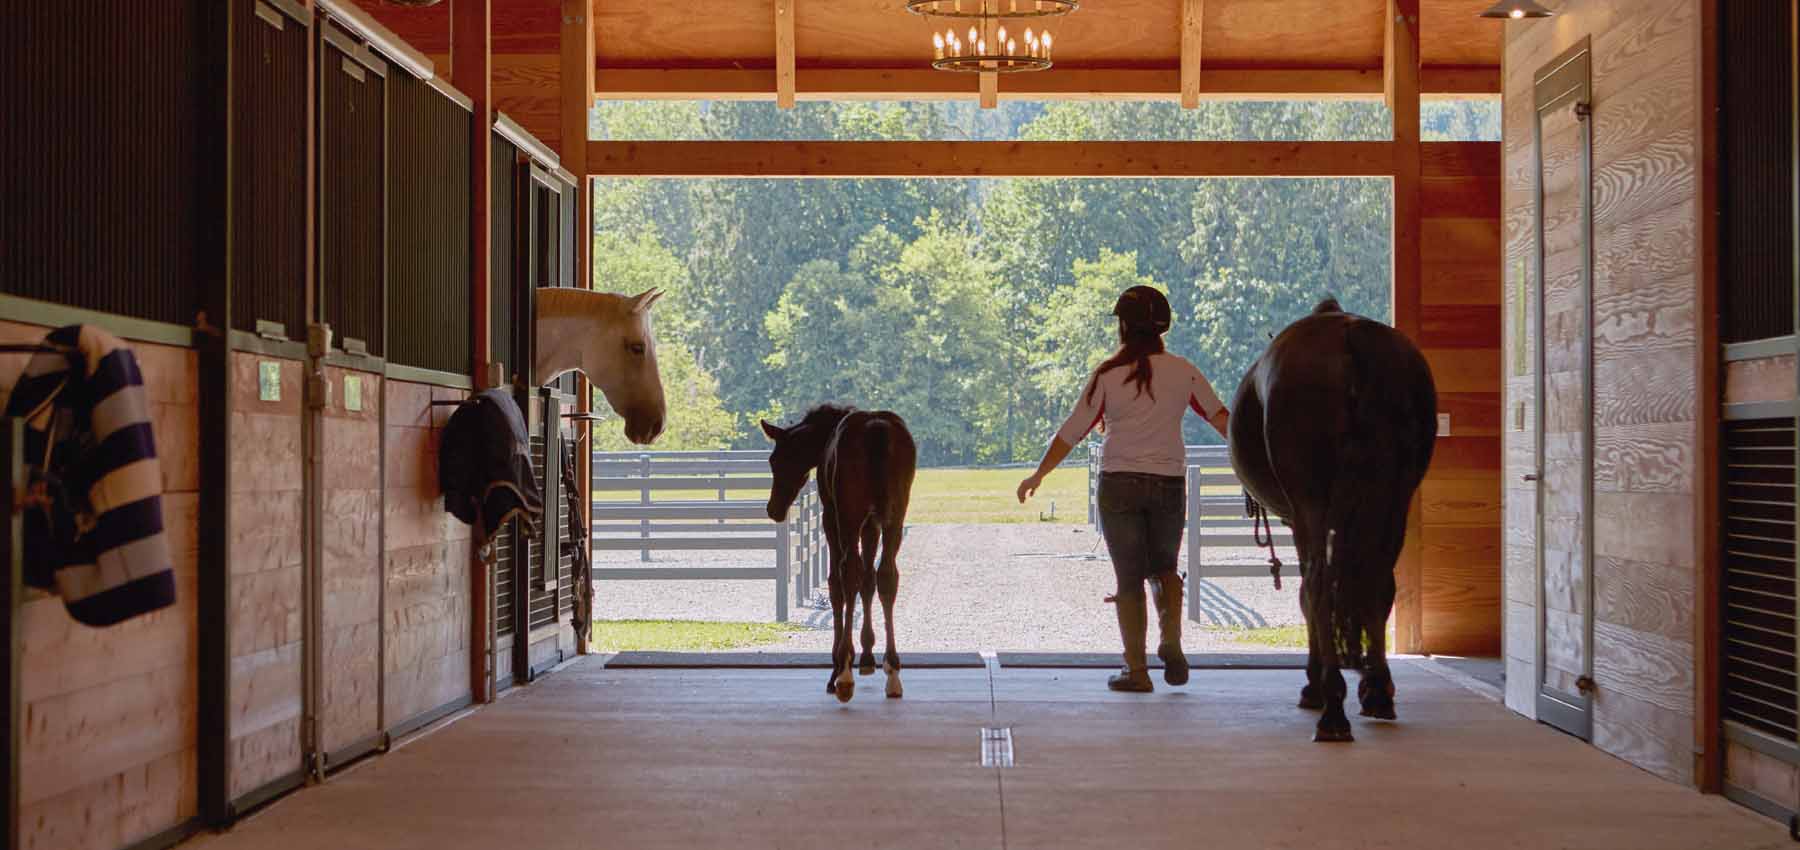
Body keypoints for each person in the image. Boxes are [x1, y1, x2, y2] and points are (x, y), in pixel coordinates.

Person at [1016, 286, 1229, 692]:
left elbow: (1072, 432)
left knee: (1128, 578)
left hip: (1119, 484)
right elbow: (1221, 419)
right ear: (1163, 327)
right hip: (1168, 482)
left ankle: (1136, 671)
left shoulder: (1108, 375)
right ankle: (1171, 640)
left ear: (1124, 327)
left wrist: (1038, 474)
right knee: (1164, 567)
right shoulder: (1185, 371)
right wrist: (1260, 457)